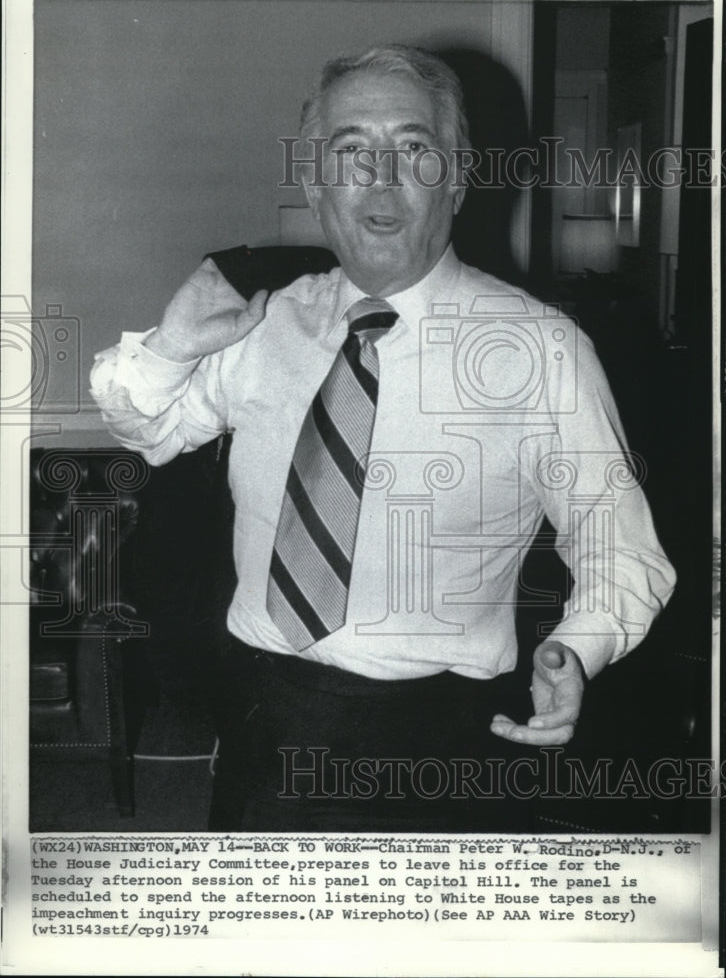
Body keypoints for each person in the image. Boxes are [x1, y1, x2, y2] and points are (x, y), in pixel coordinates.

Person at [90, 45, 676, 832]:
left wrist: (577, 648)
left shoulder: (544, 351)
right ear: (315, 184)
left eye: (413, 148)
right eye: (352, 151)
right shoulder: (262, 323)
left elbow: (621, 547)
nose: (380, 176)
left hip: (449, 742)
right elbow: (148, 430)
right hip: (269, 718)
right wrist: (171, 346)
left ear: (460, 177)